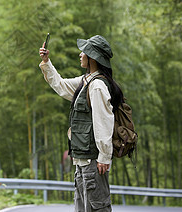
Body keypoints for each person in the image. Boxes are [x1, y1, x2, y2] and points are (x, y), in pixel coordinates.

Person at [39, 35, 123, 212]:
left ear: (92, 57)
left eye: (83, 51)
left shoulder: (98, 85)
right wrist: (46, 62)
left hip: (94, 161)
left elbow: (103, 122)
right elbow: (61, 85)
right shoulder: (86, 81)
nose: (80, 54)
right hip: (82, 160)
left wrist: (104, 156)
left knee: (96, 208)